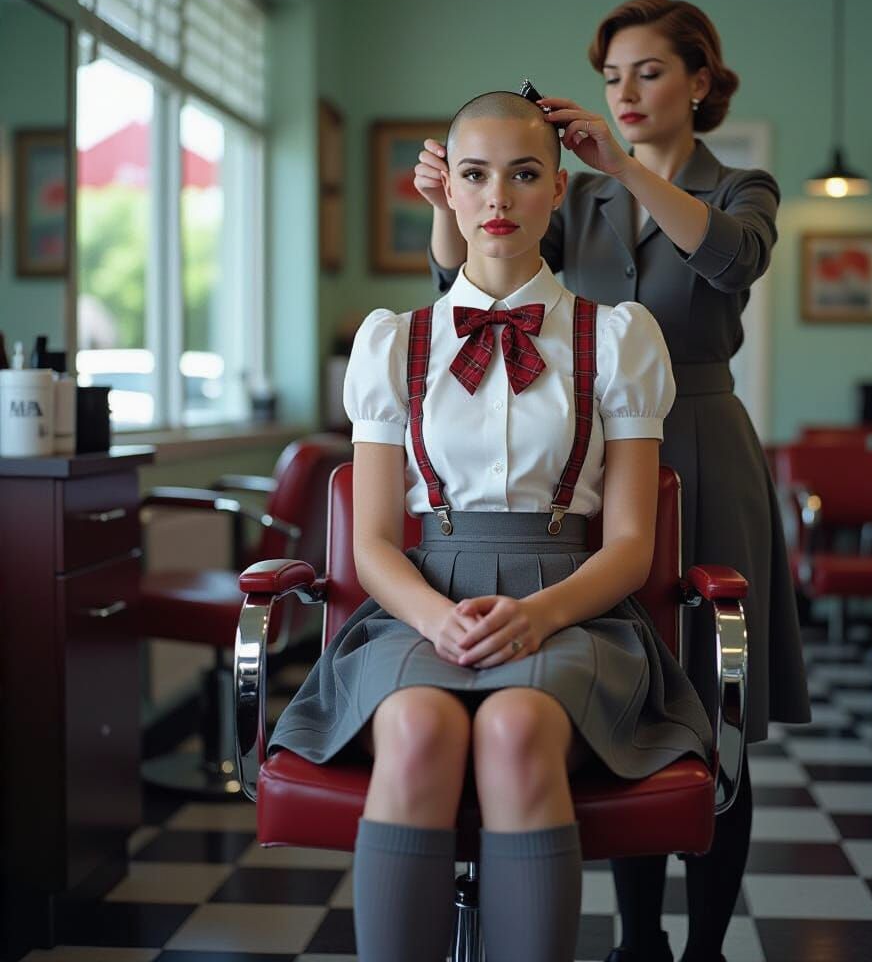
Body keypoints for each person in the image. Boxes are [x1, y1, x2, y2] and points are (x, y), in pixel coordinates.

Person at [269, 90, 713, 962]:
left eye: (523, 175)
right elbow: (369, 543)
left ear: (558, 191)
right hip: (420, 601)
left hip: (574, 604)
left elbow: (630, 545)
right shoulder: (394, 341)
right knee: (420, 728)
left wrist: (541, 615)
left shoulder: (619, 338)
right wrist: (436, 618)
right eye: (475, 175)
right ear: (449, 191)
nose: (499, 198)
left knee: (515, 730)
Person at [419, 0, 811, 962]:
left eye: (648, 72)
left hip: (702, 452)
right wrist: (446, 208)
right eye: (611, 77)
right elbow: (481, 280)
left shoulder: (739, 184)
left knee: (720, 722)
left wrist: (620, 166)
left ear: (700, 84)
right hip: (596, 462)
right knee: (638, 712)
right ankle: (639, 944)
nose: (625, 93)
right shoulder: (574, 199)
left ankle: (706, 948)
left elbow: (730, 261)